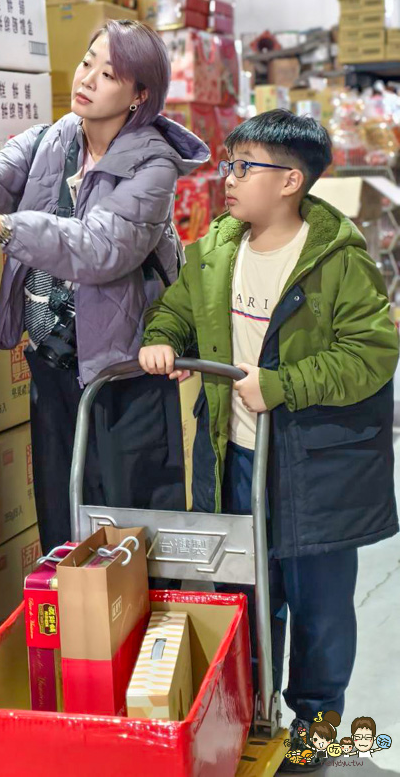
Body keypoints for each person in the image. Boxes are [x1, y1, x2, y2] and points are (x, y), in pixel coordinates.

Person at [138, 109, 399, 774]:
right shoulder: (218, 247)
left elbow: (371, 354)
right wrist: (161, 338)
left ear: (289, 180)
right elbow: (180, 308)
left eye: (242, 167)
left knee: (319, 609)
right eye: (228, 164)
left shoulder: (338, 263)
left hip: (316, 472)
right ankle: (250, 720)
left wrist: (283, 385)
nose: (226, 179)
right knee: (248, 599)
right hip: (233, 459)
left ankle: (315, 730)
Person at [0, 19, 210, 554]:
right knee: (63, 517)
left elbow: (99, 249)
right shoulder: (53, 138)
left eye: (108, 73)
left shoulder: (154, 166)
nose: (87, 78)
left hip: (124, 372)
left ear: (139, 95)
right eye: (88, 62)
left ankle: (141, 634)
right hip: (52, 364)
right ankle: (75, 632)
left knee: (131, 524)